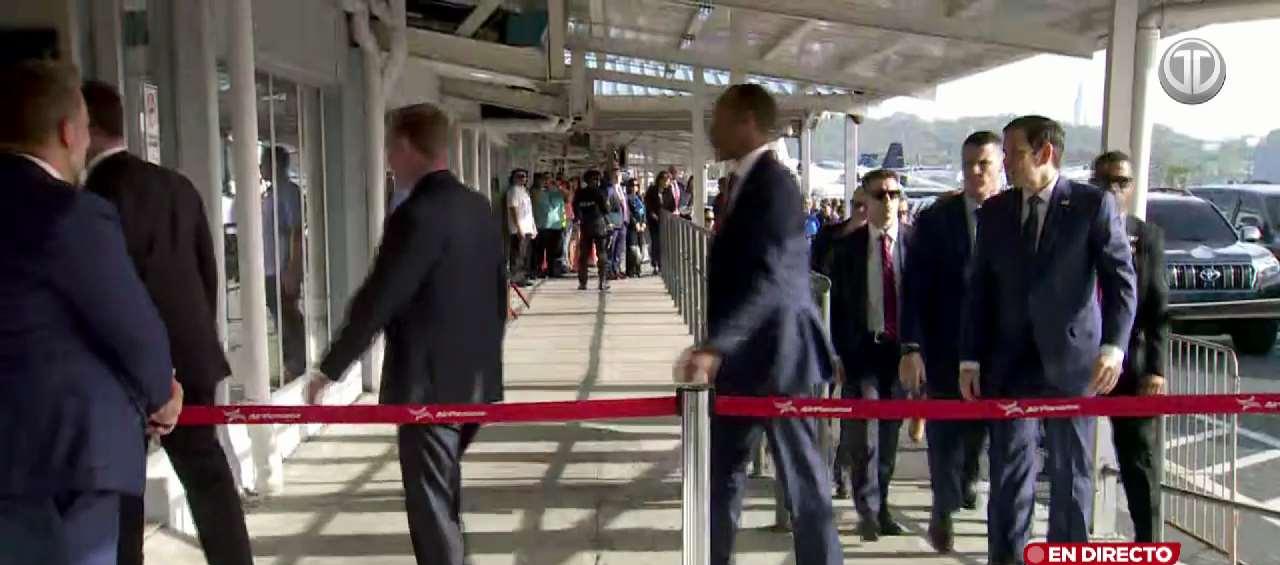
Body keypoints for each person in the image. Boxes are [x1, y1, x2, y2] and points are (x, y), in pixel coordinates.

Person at [304, 103, 505, 565]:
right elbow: (498, 295)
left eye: (390, 148)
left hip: (427, 388)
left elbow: (379, 299)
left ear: (405, 146)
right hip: (474, 384)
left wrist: (330, 369)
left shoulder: (415, 214)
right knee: (444, 495)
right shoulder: (478, 208)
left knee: (432, 509)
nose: (389, 159)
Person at [0, 60, 178, 565]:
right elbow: (131, 326)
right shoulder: (69, 212)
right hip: (60, 467)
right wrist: (162, 392)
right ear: (67, 131)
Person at [80, 81, 253, 565]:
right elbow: (207, 271)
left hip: (126, 373)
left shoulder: (91, 200)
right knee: (208, 477)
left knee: (122, 491)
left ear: (86, 129)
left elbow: (108, 296)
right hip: (194, 355)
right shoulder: (177, 185)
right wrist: (198, 340)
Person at [676, 83, 841, 565]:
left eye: (720, 118)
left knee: (803, 484)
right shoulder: (744, 183)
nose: (712, 129)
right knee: (720, 473)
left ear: (746, 122)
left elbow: (772, 280)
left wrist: (715, 345)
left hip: (781, 359)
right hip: (743, 363)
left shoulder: (776, 186)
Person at [960, 116, 1136, 564]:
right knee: (1008, 475)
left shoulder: (1091, 206)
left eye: (1014, 153)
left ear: (1044, 154)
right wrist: (970, 360)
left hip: (1073, 363)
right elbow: (979, 289)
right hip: (1010, 364)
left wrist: (1113, 348)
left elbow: (1121, 283)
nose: (1007, 163)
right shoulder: (995, 212)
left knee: (1071, 475)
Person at [899, 130, 1003, 553]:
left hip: (997, 354)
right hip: (945, 350)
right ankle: (941, 510)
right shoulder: (936, 220)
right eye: (968, 164)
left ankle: (964, 483)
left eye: (983, 163)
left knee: (977, 437)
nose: (975, 172)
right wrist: (911, 347)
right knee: (943, 437)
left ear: (1000, 167)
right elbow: (914, 288)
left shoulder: (1014, 218)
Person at [826, 169, 910, 540]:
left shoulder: (915, 245)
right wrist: (836, 354)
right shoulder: (847, 248)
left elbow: (925, 302)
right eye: (880, 195)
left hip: (900, 355)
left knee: (890, 436)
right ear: (867, 201)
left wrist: (918, 349)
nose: (888, 201)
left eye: (894, 194)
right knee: (866, 438)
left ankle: (883, 505)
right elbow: (834, 307)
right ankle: (867, 508)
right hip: (861, 352)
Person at [1092, 150, 1168, 543]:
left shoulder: (1147, 236)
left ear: (1131, 186)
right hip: (1080, 365)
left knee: (1140, 463)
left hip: (1131, 368)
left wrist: (1156, 368)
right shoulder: (1076, 230)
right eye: (1105, 180)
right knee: (1067, 459)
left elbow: (1158, 309)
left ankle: (1148, 543)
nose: (1113, 188)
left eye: (1121, 181)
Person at [260, 145, 307, 379]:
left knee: (288, 316)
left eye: (263, 162)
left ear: (275, 165)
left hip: (281, 267)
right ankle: (293, 364)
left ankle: (297, 366)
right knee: (282, 316)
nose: (260, 167)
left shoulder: (287, 192)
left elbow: (297, 232)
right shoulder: (271, 193)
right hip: (270, 267)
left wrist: (292, 269)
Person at [574, 169, 613, 291]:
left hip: (585, 225)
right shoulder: (599, 192)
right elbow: (606, 209)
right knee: (602, 253)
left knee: (584, 254)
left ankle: (583, 282)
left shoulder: (580, 193)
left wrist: (580, 217)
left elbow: (576, 208)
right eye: (596, 179)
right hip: (598, 224)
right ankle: (602, 281)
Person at [532, 172, 567, 278]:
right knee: (539, 251)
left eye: (549, 179)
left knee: (555, 251)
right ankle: (538, 271)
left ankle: (554, 271)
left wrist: (558, 186)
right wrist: (545, 188)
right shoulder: (535, 191)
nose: (546, 181)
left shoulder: (557, 192)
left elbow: (568, 196)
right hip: (541, 226)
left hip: (556, 226)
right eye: (544, 179)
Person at [506, 168, 536, 286]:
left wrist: (533, 226)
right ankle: (516, 278)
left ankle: (523, 276)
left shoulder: (524, 191)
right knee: (517, 254)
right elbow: (513, 209)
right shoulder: (513, 191)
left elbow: (529, 210)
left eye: (524, 176)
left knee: (524, 254)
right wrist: (518, 228)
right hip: (518, 228)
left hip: (527, 227)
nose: (523, 178)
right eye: (519, 176)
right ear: (513, 177)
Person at [645, 170, 678, 273]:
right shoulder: (652, 190)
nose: (666, 182)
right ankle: (655, 264)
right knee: (656, 242)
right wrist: (652, 214)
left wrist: (668, 214)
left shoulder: (668, 191)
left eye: (668, 180)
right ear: (659, 180)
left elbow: (672, 205)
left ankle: (662, 264)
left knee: (664, 243)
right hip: (654, 221)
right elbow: (647, 203)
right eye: (665, 180)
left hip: (665, 222)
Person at [603, 168, 629, 279]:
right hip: (614, 223)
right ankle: (609, 270)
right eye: (616, 175)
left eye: (619, 175)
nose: (618, 177)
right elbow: (606, 207)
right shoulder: (609, 190)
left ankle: (617, 268)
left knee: (619, 248)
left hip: (623, 222)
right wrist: (608, 221)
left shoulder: (622, 190)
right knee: (611, 247)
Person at [625, 178, 647, 277]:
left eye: (636, 185)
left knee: (640, 249)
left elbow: (643, 212)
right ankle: (630, 270)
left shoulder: (640, 198)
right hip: (632, 227)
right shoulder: (627, 198)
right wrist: (635, 223)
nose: (635, 187)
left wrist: (644, 223)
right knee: (633, 250)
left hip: (641, 228)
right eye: (633, 185)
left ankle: (638, 270)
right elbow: (629, 213)